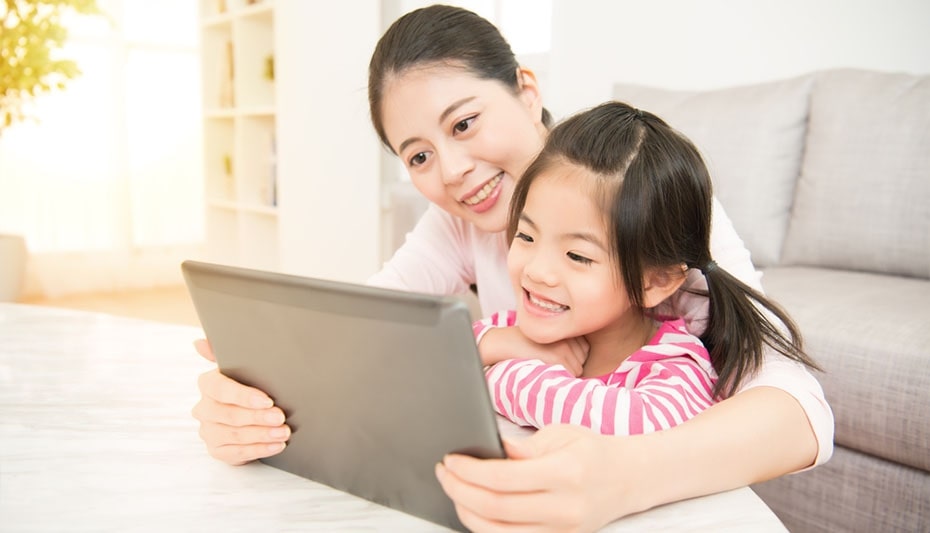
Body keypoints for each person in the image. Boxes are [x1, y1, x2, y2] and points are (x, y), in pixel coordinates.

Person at [191, 4, 833, 530]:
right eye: (417, 156)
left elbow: (800, 406)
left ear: (527, 92)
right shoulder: (456, 221)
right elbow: (364, 330)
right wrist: (248, 399)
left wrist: (623, 475)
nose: (451, 170)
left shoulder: (640, 197)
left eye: (464, 123)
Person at [472, 101, 819, 440]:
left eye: (577, 256)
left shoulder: (674, 363)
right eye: (526, 235)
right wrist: (497, 343)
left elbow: (636, 424)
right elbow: (436, 357)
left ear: (656, 280)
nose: (536, 271)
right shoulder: (517, 327)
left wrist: (498, 373)